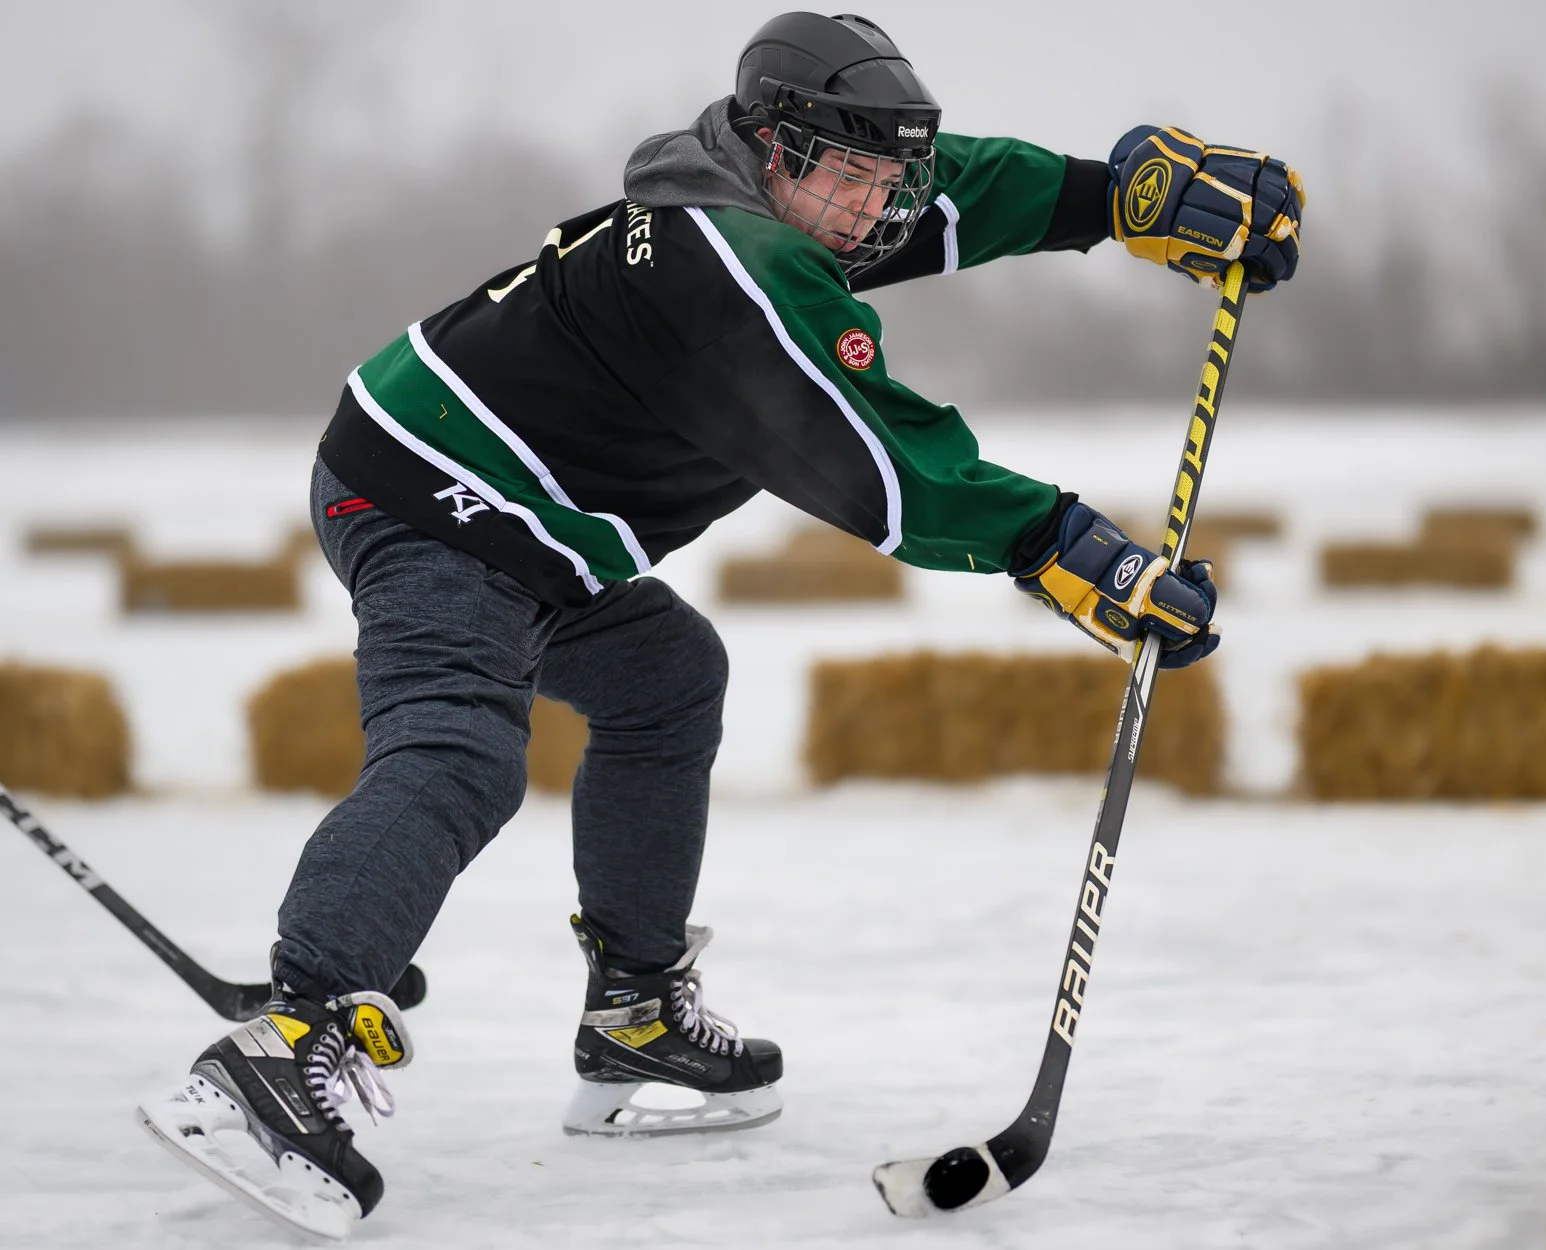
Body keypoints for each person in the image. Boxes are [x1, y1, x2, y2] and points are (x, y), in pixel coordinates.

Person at [136, 10, 1303, 1239]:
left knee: (666, 677)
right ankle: (284, 1042)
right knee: (463, 752)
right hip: (431, 491)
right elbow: (881, 467)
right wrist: (1063, 546)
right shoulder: (730, 268)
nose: (873, 205)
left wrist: (1122, 199)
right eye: (848, 173)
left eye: (886, 172)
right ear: (773, 145)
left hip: (525, 520)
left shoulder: (774, 202)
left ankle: (632, 1011)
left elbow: (956, 190)